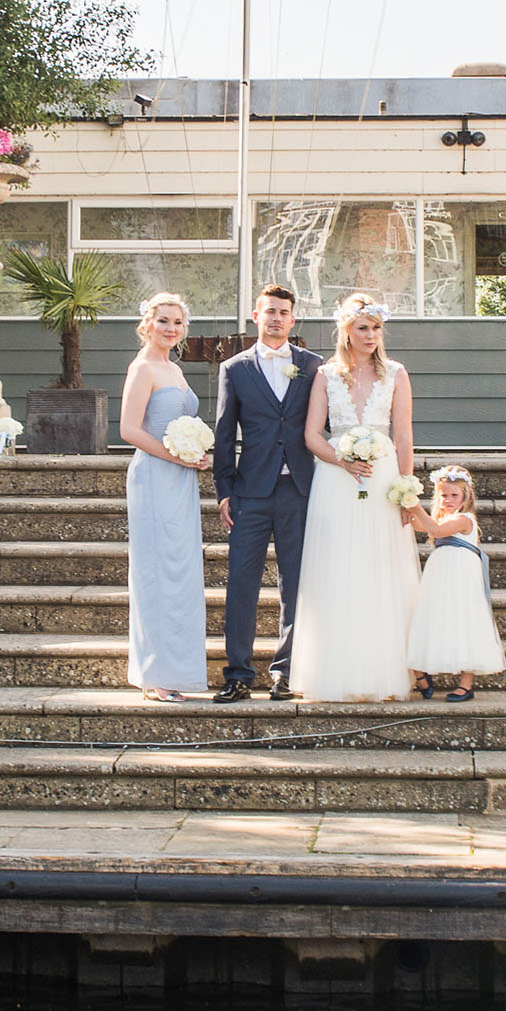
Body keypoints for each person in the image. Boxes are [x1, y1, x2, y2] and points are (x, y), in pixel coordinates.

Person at [291, 292, 419, 701]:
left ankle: (383, 672)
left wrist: (406, 491)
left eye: (376, 328)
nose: (371, 335)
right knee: (338, 568)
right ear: (346, 331)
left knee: (382, 569)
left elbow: (403, 437)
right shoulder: (326, 375)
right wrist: (342, 461)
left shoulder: (396, 373)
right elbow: (312, 435)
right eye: (363, 328)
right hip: (336, 479)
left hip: (382, 480)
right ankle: (334, 672)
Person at [212, 283, 323, 702]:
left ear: (292, 320)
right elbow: (225, 434)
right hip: (250, 493)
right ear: (255, 317)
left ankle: (285, 673)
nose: (276, 318)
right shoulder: (234, 369)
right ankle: (238, 674)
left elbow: (325, 423)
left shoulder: (313, 366)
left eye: (283, 312)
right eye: (269, 312)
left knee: (295, 585)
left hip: (299, 489)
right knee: (241, 583)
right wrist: (225, 490)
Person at [119, 292, 209, 702]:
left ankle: (178, 669)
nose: (170, 329)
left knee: (180, 572)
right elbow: (130, 431)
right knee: (157, 572)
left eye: (177, 322)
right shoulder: (142, 369)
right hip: (154, 476)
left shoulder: (173, 368)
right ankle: (155, 674)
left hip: (181, 478)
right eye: (163, 321)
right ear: (147, 325)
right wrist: (178, 454)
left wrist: (195, 454)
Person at [405, 465, 506, 703]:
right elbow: (421, 525)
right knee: (434, 616)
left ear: (465, 497)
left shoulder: (464, 519)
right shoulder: (443, 517)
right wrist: (403, 510)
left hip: (460, 575)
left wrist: (414, 505)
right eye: (444, 495)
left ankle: (466, 683)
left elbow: (434, 529)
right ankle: (422, 671)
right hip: (441, 573)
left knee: (464, 620)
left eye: (454, 495)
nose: (448, 500)